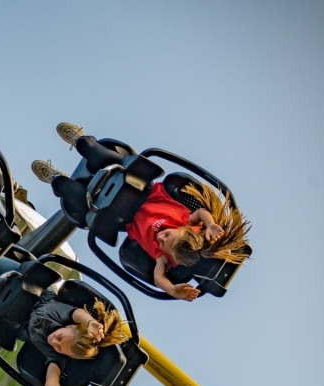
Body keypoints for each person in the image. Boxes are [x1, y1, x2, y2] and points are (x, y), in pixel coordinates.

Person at [31, 123, 251, 300]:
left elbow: (158, 278)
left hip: (119, 217)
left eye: (163, 244)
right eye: (167, 236)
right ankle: (79, 139)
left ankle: (56, 176)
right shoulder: (188, 221)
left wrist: (172, 289)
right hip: (136, 184)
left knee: (62, 186)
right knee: (87, 147)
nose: (161, 239)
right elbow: (202, 212)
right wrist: (211, 225)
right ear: (187, 230)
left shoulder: (165, 258)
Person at [27, 290, 128, 386]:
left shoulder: (55, 355)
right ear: (70, 326)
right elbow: (77, 314)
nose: (54, 342)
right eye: (60, 337)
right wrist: (90, 322)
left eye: (60, 348)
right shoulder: (61, 315)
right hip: (36, 293)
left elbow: (52, 381)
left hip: (18, 319)